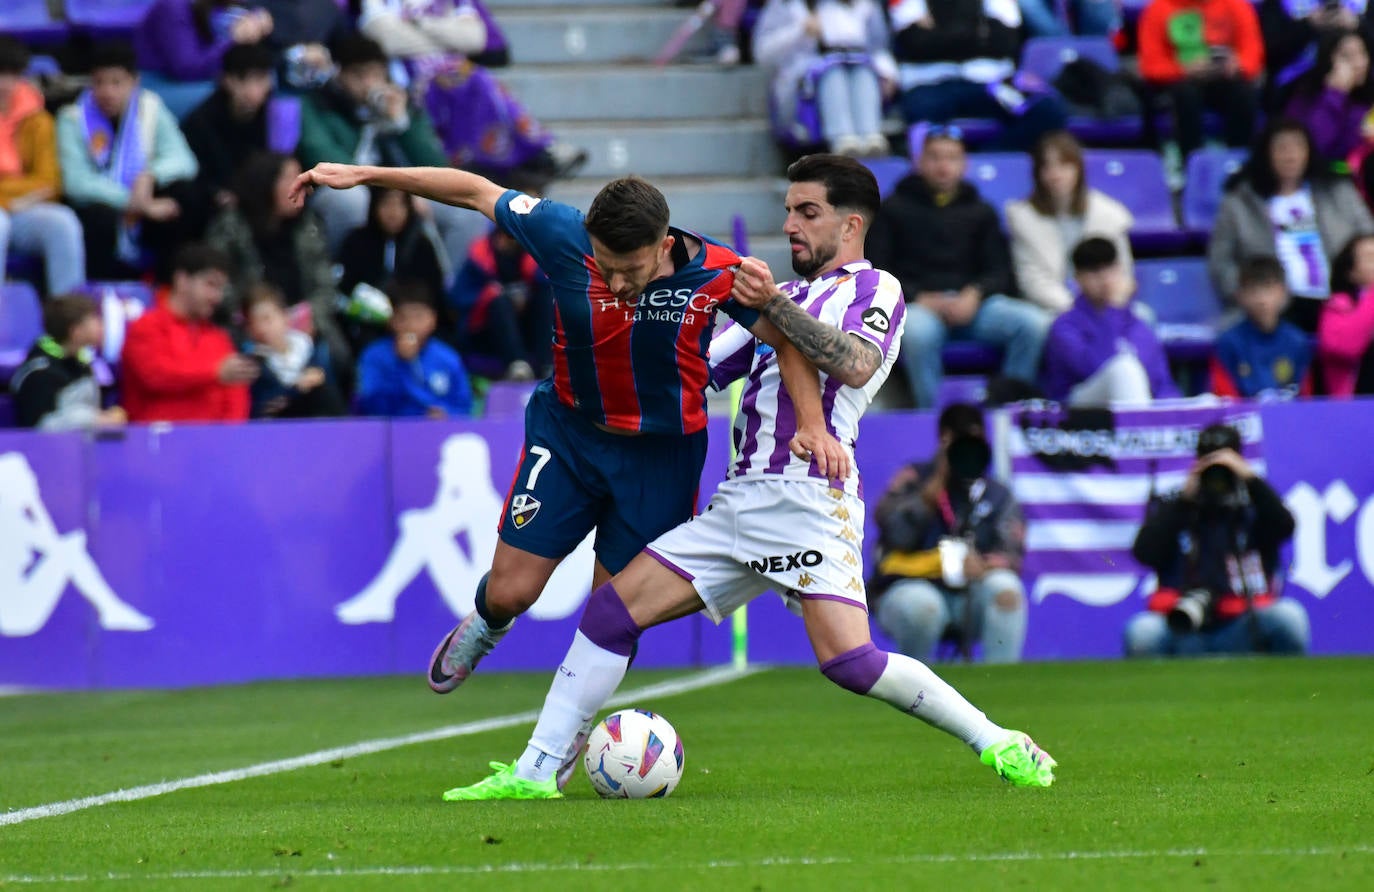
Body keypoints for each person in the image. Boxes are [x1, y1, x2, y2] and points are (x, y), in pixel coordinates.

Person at [438, 155, 1056, 801]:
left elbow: (851, 361)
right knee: (610, 614)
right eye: (787, 210)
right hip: (740, 500)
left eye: (806, 212)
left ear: (850, 224)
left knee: (849, 662)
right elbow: (698, 368)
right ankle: (536, 773)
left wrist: (772, 312)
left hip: (808, 497)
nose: (790, 224)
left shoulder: (876, 289)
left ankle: (998, 740)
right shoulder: (774, 298)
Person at [289, 158, 835, 698]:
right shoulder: (559, 232)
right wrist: (366, 175)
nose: (617, 283)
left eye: (631, 269)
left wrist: (813, 423)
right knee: (509, 592)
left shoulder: (721, 271)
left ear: (665, 246)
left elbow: (784, 339)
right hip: (570, 434)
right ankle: (485, 624)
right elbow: (475, 190)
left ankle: (568, 733)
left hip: (661, 458)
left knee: (614, 616)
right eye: (606, 266)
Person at [866, 127, 1050, 409]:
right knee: (917, 334)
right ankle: (936, 418)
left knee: (1033, 325)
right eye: (935, 157)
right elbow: (878, 271)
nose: (943, 166)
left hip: (975, 307)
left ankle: (1010, 406)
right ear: (919, 162)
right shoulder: (892, 209)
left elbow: (1000, 271)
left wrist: (975, 294)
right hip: (919, 307)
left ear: (964, 164)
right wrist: (919, 297)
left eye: (952, 158)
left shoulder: (981, 211)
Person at [297, 34, 487, 265]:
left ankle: (452, 294)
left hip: (401, 189)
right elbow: (319, 153)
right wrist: (387, 191)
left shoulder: (400, 102)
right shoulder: (320, 103)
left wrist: (402, 125)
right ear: (340, 75)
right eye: (359, 75)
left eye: (376, 74)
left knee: (466, 210)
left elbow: (437, 164)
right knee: (352, 201)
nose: (369, 84)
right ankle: (343, 282)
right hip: (352, 188)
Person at [1124, 423, 1310, 656]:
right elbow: (1144, 552)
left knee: (1289, 617)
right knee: (1142, 631)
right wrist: (1183, 502)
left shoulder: (1252, 508)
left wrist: (1250, 480)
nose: (1217, 479)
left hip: (1244, 624)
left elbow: (1285, 526)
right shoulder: (1179, 506)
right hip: (1184, 626)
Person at [359, 0, 587, 189]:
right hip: (408, 84)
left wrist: (419, 24)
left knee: (475, 78)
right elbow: (382, 37)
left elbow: (476, 38)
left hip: (458, 76)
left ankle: (530, 154)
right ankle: (525, 154)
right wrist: (447, 40)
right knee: (459, 79)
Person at [869, 403, 1028, 664]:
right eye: (960, 442)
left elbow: (1013, 554)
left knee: (1006, 589)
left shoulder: (996, 494)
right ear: (944, 440)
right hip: (909, 588)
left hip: (971, 592)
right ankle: (913, 693)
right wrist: (935, 485)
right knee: (924, 607)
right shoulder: (913, 479)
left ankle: (1002, 688)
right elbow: (896, 534)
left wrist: (985, 565)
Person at [1208, 118, 1374, 330]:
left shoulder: (1338, 191)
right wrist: (1252, 295)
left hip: (1340, 302)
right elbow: (1220, 262)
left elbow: (1368, 239)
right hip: (1271, 308)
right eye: (1282, 148)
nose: (1290, 155)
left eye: (1297, 147)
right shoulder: (1239, 203)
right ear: (1266, 154)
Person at [56, 43, 204, 281]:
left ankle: (168, 283)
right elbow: (76, 183)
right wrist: (136, 204)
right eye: (99, 82)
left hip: (143, 202)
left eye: (116, 82)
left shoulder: (150, 107)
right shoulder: (72, 118)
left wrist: (150, 175)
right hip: (105, 208)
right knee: (98, 218)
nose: (107, 92)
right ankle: (104, 288)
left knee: (186, 194)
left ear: (134, 82)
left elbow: (184, 160)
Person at [205, 151, 350, 370]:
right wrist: (257, 319)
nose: (301, 185)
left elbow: (325, 283)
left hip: (305, 323)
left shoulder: (308, 225)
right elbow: (215, 284)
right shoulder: (231, 227)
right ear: (266, 183)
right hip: (250, 326)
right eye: (289, 178)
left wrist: (312, 317)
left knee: (333, 357)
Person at [888, 0, 1067, 152]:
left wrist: (937, 35)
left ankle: (984, 159)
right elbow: (914, 42)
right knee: (920, 118)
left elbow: (1005, 40)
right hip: (929, 84)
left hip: (989, 84)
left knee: (1046, 109)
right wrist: (980, 32)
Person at [119, 243, 257, 423]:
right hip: (158, 444)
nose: (217, 297)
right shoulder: (146, 327)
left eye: (220, 288)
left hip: (214, 446)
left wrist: (228, 440)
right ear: (182, 280)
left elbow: (236, 398)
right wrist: (215, 373)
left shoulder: (219, 339)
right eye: (210, 285)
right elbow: (156, 376)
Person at [1006, 130, 1135, 316]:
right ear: (1037, 174)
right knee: (1042, 326)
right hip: (1051, 307)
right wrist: (1076, 310)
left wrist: (1109, 303)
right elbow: (1033, 281)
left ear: (1078, 169)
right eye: (1047, 167)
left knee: (1143, 316)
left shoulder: (1109, 214)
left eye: (1064, 165)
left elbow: (1122, 273)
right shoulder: (1023, 218)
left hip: (1104, 303)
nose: (1055, 175)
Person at [1041, 238, 1177, 406]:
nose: (1105, 279)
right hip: (1076, 413)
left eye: (1110, 268)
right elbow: (1093, 368)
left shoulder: (1137, 324)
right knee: (1124, 370)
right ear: (1078, 278)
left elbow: (1162, 383)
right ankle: (1138, 430)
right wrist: (1113, 309)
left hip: (1134, 410)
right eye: (1094, 271)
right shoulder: (1065, 327)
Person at [752, 0, 897, 156]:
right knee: (831, 71)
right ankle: (841, 137)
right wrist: (801, 30)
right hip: (800, 88)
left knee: (863, 70)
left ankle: (870, 134)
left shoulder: (863, 5)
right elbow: (762, 54)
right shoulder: (784, 5)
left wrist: (889, 74)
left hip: (854, 74)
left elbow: (877, 49)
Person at [0, 37, 86, 297]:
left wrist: (5, 196)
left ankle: (69, 325)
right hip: (12, 208)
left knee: (64, 222)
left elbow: (49, 184)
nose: (3, 84)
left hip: (23, 210)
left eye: (11, 75)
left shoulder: (39, 120)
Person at [1137, 0, 1264, 158]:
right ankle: (1190, 164)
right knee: (1185, 95)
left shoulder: (1236, 6)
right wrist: (1185, 70)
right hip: (1180, 82)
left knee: (1245, 94)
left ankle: (1238, 162)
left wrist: (1237, 65)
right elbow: (1150, 66)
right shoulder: (1158, 9)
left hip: (1224, 80)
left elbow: (1252, 54)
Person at [338, 185, 449, 357]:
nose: (393, 212)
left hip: (415, 322)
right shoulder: (356, 242)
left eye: (400, 205)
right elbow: (345, 289)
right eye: (386, 205)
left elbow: (434, 293)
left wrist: (410, 321)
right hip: (368, 325)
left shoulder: (422, 245)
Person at [180, 41, 280, 207]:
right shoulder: (201, 122)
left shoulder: (270, 114)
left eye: (264, 79)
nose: (262, 88)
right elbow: (196, 177)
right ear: (228, 81)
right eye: (254, 79)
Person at [449, 227, 555, 381]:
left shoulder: (535, 255)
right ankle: (518, 365)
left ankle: (548, 364)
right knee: (499, 302)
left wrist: (527, 295)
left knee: (545, 297)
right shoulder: (478, 258)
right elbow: (457, 297)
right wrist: (489, 295)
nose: (503, 241)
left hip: (528, 331)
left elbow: (553, 285)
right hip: (487, 333)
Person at [356, 281, 473, 418]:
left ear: (433, 319)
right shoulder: (374, 356)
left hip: (439, 434)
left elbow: (464, 408)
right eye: (403, 318)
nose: (411, 325)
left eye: (418, 317)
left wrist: (446, 415)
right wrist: (402, 364)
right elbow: (372, 406)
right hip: (390, 433)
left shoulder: (447, 358)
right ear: (391, 320)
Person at [10, 295, 126, 430]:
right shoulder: (39, 373)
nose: (101, 326)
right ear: (75, 331)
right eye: (94, 320)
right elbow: (41, 427)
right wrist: (95, 420)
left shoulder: (83, 363)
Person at [1211, 256, 1314, 398]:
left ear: (1284, 293)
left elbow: (1305, 399)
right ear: (1240, 295)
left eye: (1268, 290)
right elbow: (1224, 401)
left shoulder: (1297, 342)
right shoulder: (1229, 343)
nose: (1262, 300)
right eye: (1254, 291)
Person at [242, 283, 347, 419]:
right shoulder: (252, 367)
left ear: (285, 317)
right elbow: (263, 408)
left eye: (267, 319)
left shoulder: (316, 351)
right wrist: (296, 389)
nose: (261, 329)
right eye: (253, 323)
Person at [1283, 28, 1374, 164]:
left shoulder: (1369, 96)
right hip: (1324, 177)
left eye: (1362, 53)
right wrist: (1335, 95)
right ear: (1328, 60)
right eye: (1347, 56)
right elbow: (1315, 145)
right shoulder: (1306, 96)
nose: (1359, 63)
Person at [134, 0, 274, 85]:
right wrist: (233, 40)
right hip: (160, 85)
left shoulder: (223, 7)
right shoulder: (173, 7)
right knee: (233, 93)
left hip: (197, 79)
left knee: (264, 82)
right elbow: (187, 69)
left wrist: (257, 22)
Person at [1317, 233, 1374, 396]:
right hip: (1354, 408)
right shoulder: (1338, 305)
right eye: (1371, 258)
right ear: (1351, 272)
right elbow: (1345, 347)